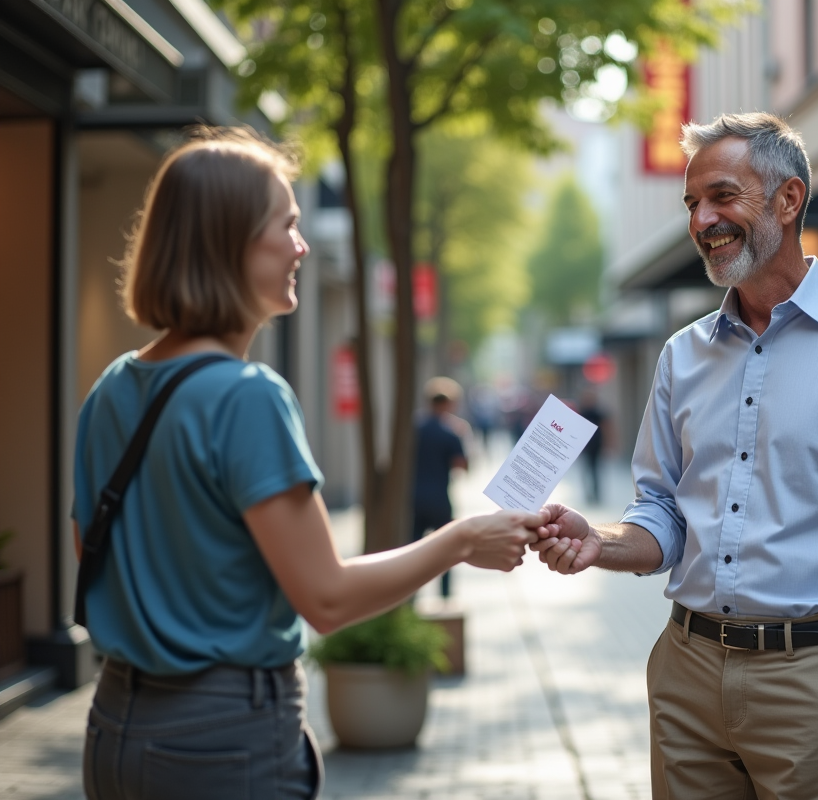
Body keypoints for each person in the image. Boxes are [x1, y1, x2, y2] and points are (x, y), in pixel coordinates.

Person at [71, 128, 545, 799]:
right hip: (222, 740)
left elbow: (95, 565)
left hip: (115, 727)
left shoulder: (111, 390)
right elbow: (326, 598)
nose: (301, 245)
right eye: (286, 224)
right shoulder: (247, 396)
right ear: (229, 240)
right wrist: (461, 539)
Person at [532, 113, 818, 800]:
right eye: (691, 204)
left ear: (789, 200)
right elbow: (660, 514)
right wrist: (599, 542)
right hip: (685, 672)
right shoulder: (682, 355)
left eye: (722, 196)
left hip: (817, 680)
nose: (702, 219)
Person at [413, 377, 470, 598]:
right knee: (447, 550)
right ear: (449, 403)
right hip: (439, 498)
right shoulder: (451, 432)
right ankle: (445, 596)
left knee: (412, 550)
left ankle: (411, 598)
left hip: (414, 497)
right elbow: (461, 466)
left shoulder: (413, 428)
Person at [576, 388, 608, 505]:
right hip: (586, 446)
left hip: (596, 445)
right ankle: (588, 494)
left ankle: (596, 494)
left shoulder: (598, 412)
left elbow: (606, 427)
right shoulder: (582, 412)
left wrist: (607, 444)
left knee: (596, 471)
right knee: (586, 470)